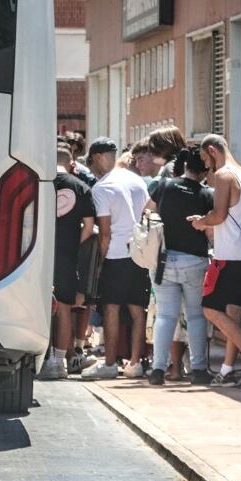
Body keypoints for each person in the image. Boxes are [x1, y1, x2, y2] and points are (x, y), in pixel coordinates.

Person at [190, 134, 241, 387]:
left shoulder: (224, 176)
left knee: (210, 309)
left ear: (212, 150)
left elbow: (219, 215)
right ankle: (227, 370)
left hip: (228, 256)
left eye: (204, 158)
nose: (206, 166)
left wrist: (201, 222)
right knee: (233, 315)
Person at [80, 138, 150, 380]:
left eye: (91, 163)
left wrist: (99, 262)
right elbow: (149, 213)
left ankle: (109, 363)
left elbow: (105, 232)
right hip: (140, 254)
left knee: (111, 307)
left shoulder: (102, 188)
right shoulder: (137, 180)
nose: (92, 169)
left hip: (116, 254)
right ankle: (135, 363)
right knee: (137, 309)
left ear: (99, 157)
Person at [149, 147, 214, 385]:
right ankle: (198, 369)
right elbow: (211, 229)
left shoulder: (164, 186)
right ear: (205, 169)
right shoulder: (207, 194)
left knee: (165, 316)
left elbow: (147, 211)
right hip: (194, 260)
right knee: (195, 316)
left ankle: (157, 369)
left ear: (185, 166)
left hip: (164, 260)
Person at [40, 145, 96, 380]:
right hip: (66, 255)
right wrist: (75, 243)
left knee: (38, 307)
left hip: (37, 254)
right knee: (63, 307)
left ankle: (40, 358)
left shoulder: (39, 181)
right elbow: (89, 225)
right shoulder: (80, 186)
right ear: (71, 163)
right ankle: (58, 361)